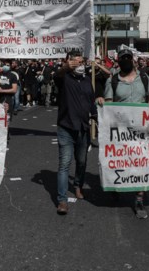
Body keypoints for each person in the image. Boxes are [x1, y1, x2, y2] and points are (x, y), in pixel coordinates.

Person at [101, 49, 149, 219]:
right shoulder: (112, 81)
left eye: (128, 58)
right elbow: (110, 104)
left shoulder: (144, 77)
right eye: (122, 59)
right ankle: (116, 185)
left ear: (133, 60)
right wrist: (102, 101)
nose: (125, 61)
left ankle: (139, 199)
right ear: (118, 61)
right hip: (120, 131)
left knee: (141, 163)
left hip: (141, 130)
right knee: (122, 162)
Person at [53, 50, 97, 215]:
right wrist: (65, 67)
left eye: (82, 62)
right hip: (66, 127)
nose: (80, 65)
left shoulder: (87, 81)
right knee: (64, 164)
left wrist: (96, 115)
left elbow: (91, 101)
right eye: (76, 62)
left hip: (83, 128)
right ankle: (62, 200)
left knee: (81, 161)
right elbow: (56, 76)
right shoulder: (64, 78)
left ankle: (78, 185)